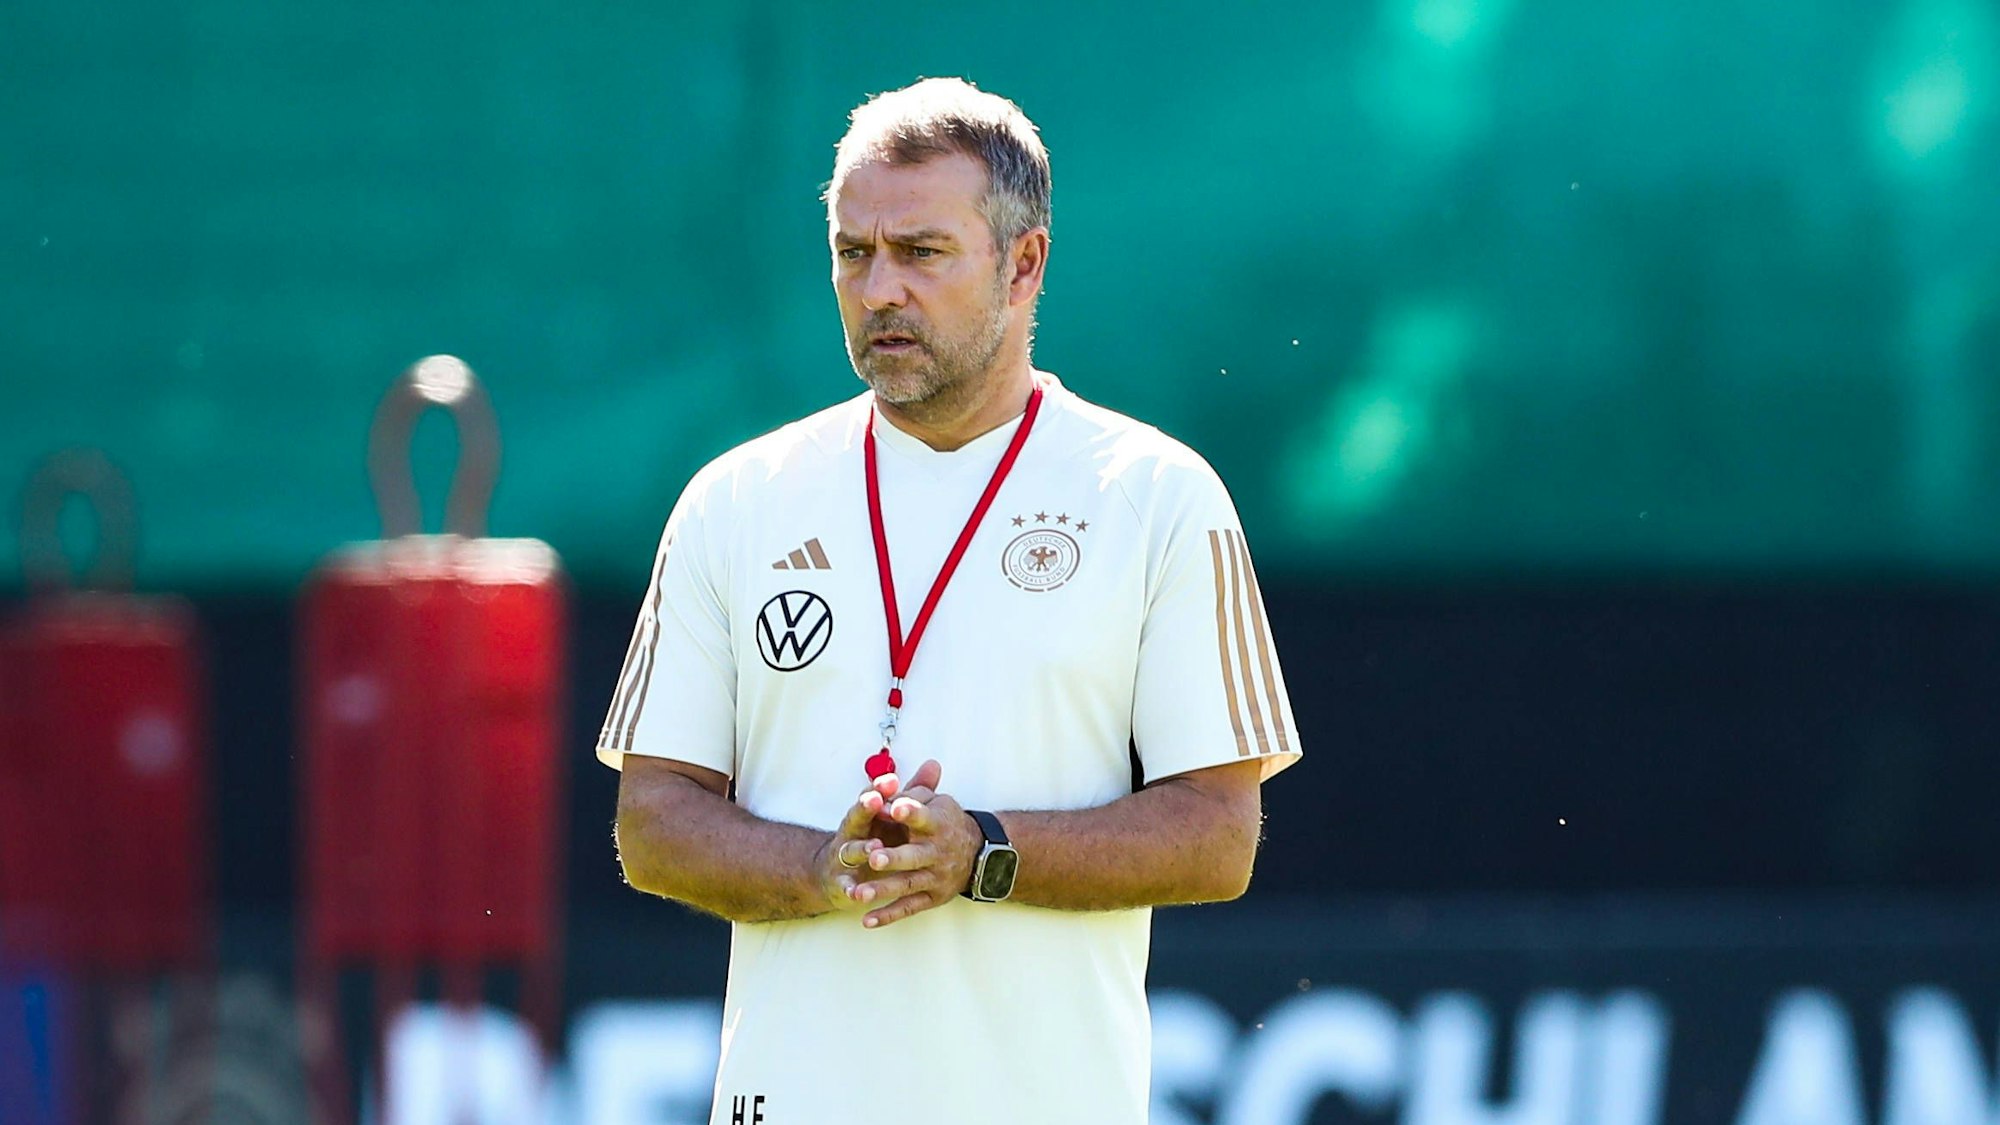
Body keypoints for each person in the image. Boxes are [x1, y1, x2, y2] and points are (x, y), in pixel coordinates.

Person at [598, 76, 1300, 1124]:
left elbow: (1217, 833)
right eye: (852, 252)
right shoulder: (735, 500)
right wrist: (822, 867)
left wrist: (983, 854)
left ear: (1024, 264)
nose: (879, 289)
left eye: (920, 253)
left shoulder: (1156, 495)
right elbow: (652, 823)